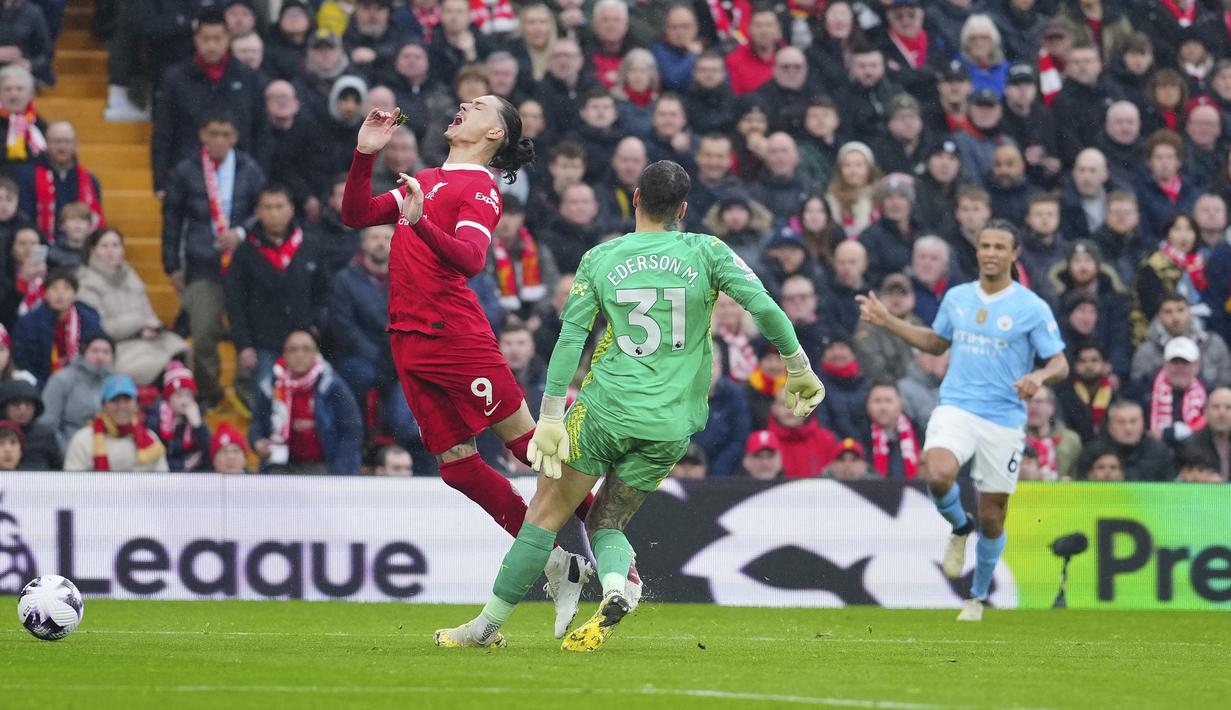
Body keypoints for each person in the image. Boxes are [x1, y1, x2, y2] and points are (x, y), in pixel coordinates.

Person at [432, 160, 825, 650]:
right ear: (682, 209)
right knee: (607, 521)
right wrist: (799, 366)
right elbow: (764, 306)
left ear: (636, 198)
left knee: (544, 515)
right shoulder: (708, 251)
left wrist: (552, 413)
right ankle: (618, 587)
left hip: (605, 410)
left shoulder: (601, 258)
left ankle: (486, 627)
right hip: (670, 424)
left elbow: (571, 338)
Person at [341, 97, 599, 637]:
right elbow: (356, 215)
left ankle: (615, 550)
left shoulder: (478, 187)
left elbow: (470, 259)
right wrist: (364, 155)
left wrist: (419, 225)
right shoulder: (427, 178)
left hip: (455, 337)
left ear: (492, 136)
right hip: (408, 339)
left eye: (479, 106)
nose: (464, 106)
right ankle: (557, 564)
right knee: (457, 465)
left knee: (530, 449)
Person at [857, 218, 1068, 622]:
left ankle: (976, 595)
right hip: (957, 406)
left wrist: (1038, 376)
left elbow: (1059, 362)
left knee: (992, 516)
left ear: (1013, 254)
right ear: (977, 251)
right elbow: (937, 343)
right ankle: (957, 525)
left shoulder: (1031, 307)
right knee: (937, 473)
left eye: (998, 247)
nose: (990, 253)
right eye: (984, 245)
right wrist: (888, 321)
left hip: (1004, 419)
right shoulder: (957, 297)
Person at [161, 111, 265, 406]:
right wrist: (171, 264)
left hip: (242, 265)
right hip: (201, 265)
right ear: (202, 135)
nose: (219, 140)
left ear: (235, 138)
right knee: (203, 333)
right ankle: (209, 391)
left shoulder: (249, 169)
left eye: (226, 135)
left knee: (249, 332)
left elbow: (263, 211)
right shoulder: (185, 171)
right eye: (214, 134)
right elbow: (172, 219)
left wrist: (241, 233)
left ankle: (245, 391)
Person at [224, 184, 331, 397]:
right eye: (268, 207)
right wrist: (244, 345)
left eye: (279, 206)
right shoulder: (245, 253)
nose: (274, 213)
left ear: (291, 209)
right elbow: (235, 302)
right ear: (257, 212)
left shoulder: (310, 245)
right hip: (263, 344)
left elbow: (324, 293)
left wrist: (316, 327)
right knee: (266, 404)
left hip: (305, 341)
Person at [152, 9, 267, 193]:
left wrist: (260, 177)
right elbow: (164, 131)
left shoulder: (248, 78)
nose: (211, 45)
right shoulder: (176, 78)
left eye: (217, 38)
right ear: (196, 39)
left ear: (228, 38)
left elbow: (261, 131)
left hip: (239, 176)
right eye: (206, 39)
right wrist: (160, 181)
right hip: (188, 174)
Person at [76, 227, 188, 386]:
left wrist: (150, 328)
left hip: (145, 338)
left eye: (115, 246)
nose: (111, 251)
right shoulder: (86, 283)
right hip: (115, 346)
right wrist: (139, 323)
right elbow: (100, 329)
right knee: (151, 365)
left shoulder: (131, 276)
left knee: (179, 347)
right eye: (105, 246)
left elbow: (148, 314)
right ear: (93, 251)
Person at [249, 330, 362, 475]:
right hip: (281, 465)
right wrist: (257, 441)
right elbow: (257, 422)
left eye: (306, 349)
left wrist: (339, 471)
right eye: (293, 349)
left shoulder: (332, 385)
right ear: (284, 354)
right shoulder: (272, 385)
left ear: (316, 354)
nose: (299, 354)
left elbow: (352, 429)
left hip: (324, 466)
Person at [12, 269, 102, 388]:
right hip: (43, 381)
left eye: (66, 288)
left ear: (75, 295)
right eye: (54, 288)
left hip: (82, 381)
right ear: (45, 294)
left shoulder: (89, 320)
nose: (60, 294)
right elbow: (23, 359)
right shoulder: (28, 323)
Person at [64, 375, 169, 472]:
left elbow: (164, 484)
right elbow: (71, 486)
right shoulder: (83, 440)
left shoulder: (151, 440)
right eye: (115, 400)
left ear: (136, 404)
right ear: (103, 405)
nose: (122, 406)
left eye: (127, 400)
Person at [1131, 293, 1231, 390]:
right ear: (1159, 317)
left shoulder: (1213, 344)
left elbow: (1226, 383)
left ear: (1190, 313)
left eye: (1180, 310)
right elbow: (1138, 389)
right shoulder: (1147, 352)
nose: (1175, 317)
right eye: (1168, 312)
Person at [36, 333, 113, 450]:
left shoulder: (117, 383)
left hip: (108, 449)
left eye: (106, 352)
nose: (100, 357)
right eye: (95, 351)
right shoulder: (62, 379)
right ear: (84, 353)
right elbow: (48, 424)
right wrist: (67, 452)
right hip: (69, 448)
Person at [1076, 399, 1175, 481]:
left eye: (1133, 421)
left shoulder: (1158, 451)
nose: (1128, 428)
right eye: (1121, 422)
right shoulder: (1093, 452)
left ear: (1142, 424)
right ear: (1110, 426)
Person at [1143, 336, 1209, 448]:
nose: (1179, 368)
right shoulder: (1144, 388)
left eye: (1185, 363)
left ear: (1196, 366)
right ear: (1164, 364)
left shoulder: (1209, 392)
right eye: (1174, 362)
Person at [149, 361, 211, 472]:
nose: (184, 401)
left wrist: (198, 426)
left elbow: (207, 454)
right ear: (168, 398)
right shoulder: (155, 417)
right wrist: (183, 464)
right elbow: (155, 458)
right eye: (178, 395)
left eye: (188, 395)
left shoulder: (195, 416)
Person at [862, 382, 922, 481]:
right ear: (868, 405)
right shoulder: (860, 437)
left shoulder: (918, 433)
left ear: (901, 405)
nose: (883, 407)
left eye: (888, 401)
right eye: (877, 401)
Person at [1024, 386, 1081, 481]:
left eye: (1038, 401)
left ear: (1051, 407)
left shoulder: (1070, 439)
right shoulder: (1015, 438)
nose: (1032, 406)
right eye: (1028, 401)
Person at [0, 379, 59, 469]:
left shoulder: (45, 435)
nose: (23, 410)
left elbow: (58, 469)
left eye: (28, 404)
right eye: (16, 404)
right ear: (3, 407)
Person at [1180, 386, 1231, 481]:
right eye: (1216, 407)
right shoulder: (1189, 446)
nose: (1222, 413)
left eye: (1228, 408)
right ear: (1205, 412)